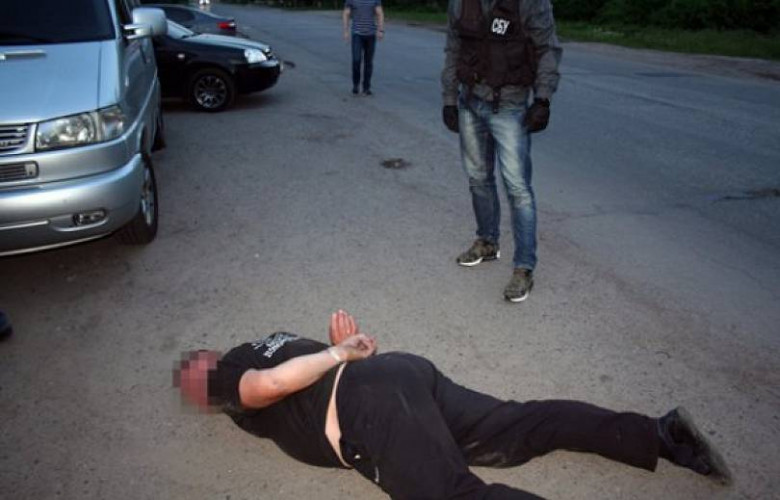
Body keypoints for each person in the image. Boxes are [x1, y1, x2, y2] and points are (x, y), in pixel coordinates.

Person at [174, 310, 731, 499]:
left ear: (204, 367)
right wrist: (342, 351)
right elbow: (305, 373)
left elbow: (268, 387)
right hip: (400, 376)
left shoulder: (227, 374)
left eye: (190, 383)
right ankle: (659, 435)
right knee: (522, 422)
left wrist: (338, 352)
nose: (194, 394)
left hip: (372, 408)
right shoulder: (269, 341)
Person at [441, 0, 563, 302]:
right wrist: (449, 99)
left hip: (510, 105)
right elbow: (453, 48)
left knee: (518, 189)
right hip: (470, 101)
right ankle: (487, 241)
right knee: (478, 179)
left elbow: (547, 49)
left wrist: (543, 99)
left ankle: (524, 268)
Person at [342, 0, 384, 95]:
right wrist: (345, 30)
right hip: (357, 34)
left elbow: (380, 13)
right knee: (356, 60)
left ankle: (366, 87)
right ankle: (356, 85)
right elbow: (346, 13)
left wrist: (380, 30)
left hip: (371, 35)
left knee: (368, 62)